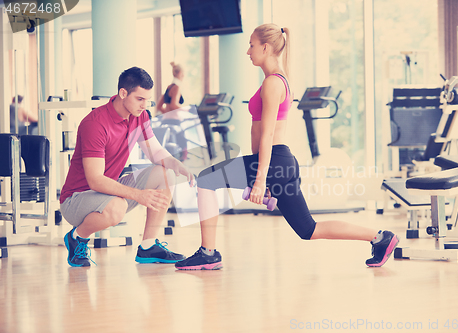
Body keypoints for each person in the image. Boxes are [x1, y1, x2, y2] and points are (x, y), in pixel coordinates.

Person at [175, 24, 399, 270]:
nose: (247, 51)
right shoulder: (277, 80)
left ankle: (208, 253)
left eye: (251, 45)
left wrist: (260, 180)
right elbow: (260, 131)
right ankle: (380, 237)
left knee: (207, 180)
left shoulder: (273, 83)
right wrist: (258, 177)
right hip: (278, 162)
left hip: (274, 160)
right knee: (308, 229)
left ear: (265, 47)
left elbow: (268, 134)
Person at [59, 67, 195, 267]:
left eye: (147, 99)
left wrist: (177, 165)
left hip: (108, 192)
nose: (144, 105)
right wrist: (138, 195)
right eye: (140, 99)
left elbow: (155, 153)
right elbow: (95, 180)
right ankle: (77, 237)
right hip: (76, 199)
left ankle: (148, 247)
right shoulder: (95, 124)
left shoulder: (140, 116)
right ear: (123, 93)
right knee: (117, 207)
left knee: (166, 174)